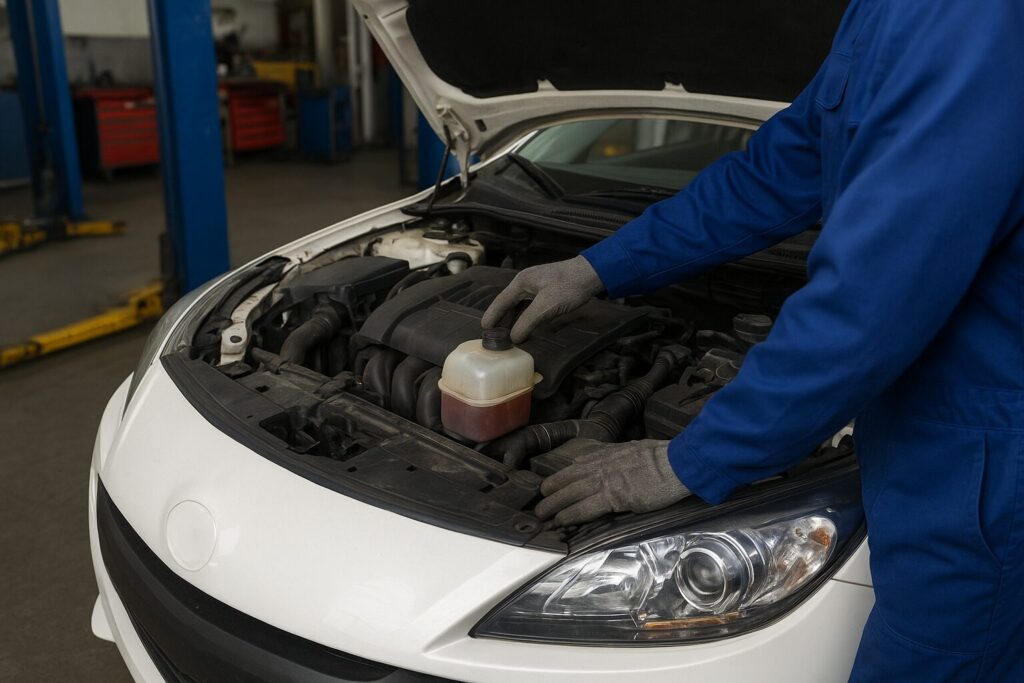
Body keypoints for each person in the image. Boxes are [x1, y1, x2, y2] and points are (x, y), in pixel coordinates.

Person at [480, 1, 1024, 680]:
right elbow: (778, 168)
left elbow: (868, 303)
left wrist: (687, 460)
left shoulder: (973, 18)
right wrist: (597, 267)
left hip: (981, 455)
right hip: (927, 425)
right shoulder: (889, 12)